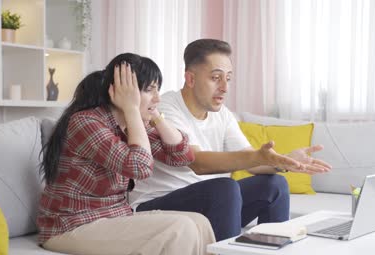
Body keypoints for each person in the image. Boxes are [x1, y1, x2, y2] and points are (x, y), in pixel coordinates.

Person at [130, 39, 332, 241]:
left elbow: (252, 161)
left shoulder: (223, 115)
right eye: (216, 78)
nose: (225, 87)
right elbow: (197, 162)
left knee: (275, 185)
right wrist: (258, 157)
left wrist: (283, 161)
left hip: (215, 203)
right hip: (158, 206)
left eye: (228, 78)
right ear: (190, 79)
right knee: (225, 187)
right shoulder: (164, 107)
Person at [36, 53, 219, 255]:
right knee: (179, 229)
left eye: (157, 90)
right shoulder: (86, 123)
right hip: (69, 226)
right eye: (150, 90)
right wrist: (132, 108)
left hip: (113, 215)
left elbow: (183, 155)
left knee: (199, 223)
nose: (158, 98)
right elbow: (140, 167)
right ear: (123, 93)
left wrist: (156, 115)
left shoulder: (129, 126)